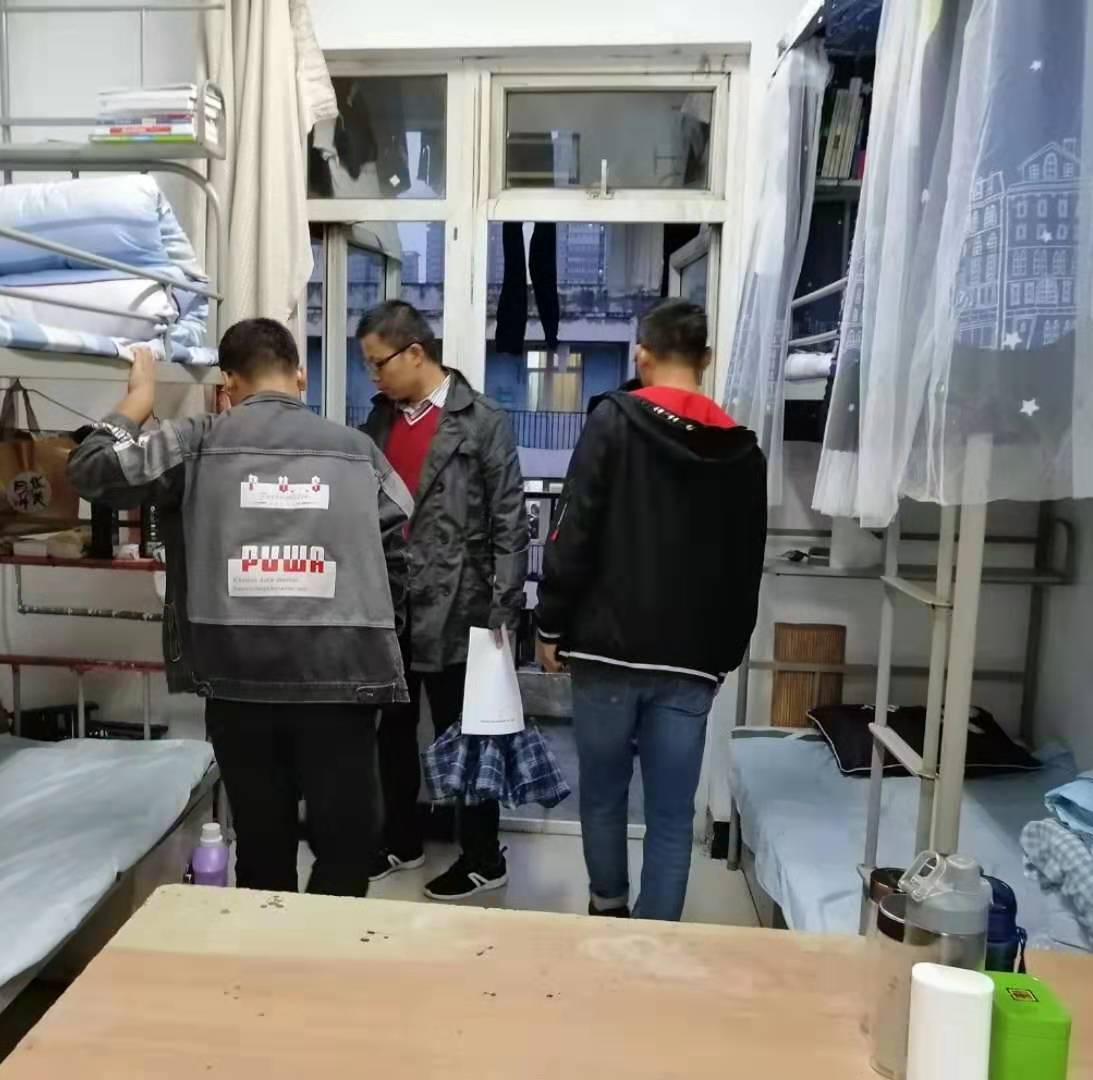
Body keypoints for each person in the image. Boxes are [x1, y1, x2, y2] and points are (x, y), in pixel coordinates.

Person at [68, 320, 412, 898]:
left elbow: (89, 470)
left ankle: (263, 949)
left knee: (261, 845)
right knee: (346, 846)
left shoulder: (194, 443)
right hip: (344, 675)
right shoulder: (358, 452)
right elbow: (396, 547)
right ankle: (329, 947)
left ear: (227, 383)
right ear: (300, 375)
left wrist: (138, 401)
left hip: (238, 677)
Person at [536, 299, 766, 921]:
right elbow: (747, 564)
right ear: (706, 359)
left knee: (604, 795)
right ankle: (660, 936)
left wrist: (550, 622)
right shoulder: (742, 450)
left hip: (605, 651)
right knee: (670, 814)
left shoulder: (612, 421)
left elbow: (573, 530)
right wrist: (724, 655)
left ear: (641, 354)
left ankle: (608, 911)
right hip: (691, 661)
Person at [357, 300, 530, 901]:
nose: (373, 375)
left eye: (378, 362)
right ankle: (400, 839)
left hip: (464, 608)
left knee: (471, 735)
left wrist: (505, 610)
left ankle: (483, 856)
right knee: (392, 732)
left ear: (415, 353)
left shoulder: (480, 421)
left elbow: (510, 521)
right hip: (392, 604)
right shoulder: (379, 420)